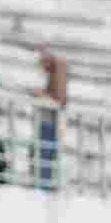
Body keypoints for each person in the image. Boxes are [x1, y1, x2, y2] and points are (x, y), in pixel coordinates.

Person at [32, 45, 68, 189]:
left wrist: (41, 94)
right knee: (43, 153)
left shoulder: (59, 68)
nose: (41, 67)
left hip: (50, 121)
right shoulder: (55, 71)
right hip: (48, 120)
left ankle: (44, 185)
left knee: (45, 153)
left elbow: (58, 99)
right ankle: (43, 183)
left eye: (42, 62)